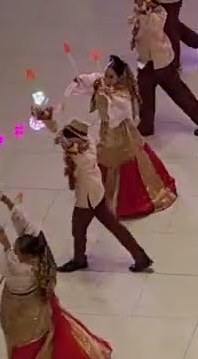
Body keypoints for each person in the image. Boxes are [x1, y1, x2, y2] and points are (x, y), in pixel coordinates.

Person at [0, 192, 113, 359]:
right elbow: (26, 228)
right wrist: (9, 203)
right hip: (40, 306)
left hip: (24, 313)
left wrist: (5, 244)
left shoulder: (24, 272)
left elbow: (11, 261)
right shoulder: (40, 251)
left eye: (18, 250)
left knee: (26, 342)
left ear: (26, 256)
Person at [32, 109, 154, 273]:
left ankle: (79, 260)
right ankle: (140, 257)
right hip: (97, 193)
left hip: (88, 198)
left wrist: (70, 149)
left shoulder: (85, 155)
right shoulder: (85, 140)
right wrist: (48, 120)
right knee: (113, 228)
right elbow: (59, 132)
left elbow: (77, 156)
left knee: (79, 228)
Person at [102, 0, 198, 137]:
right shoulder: (142, 8)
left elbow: (150, 26)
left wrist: (142, 8)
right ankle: (146, 126)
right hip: (145, 62)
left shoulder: (159, 15)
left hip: (163, 64)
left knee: (180, 94)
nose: (140, 0)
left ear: (153, 3)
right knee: (144, 97)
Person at [66, 56, 178, 219]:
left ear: (120, 77)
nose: (107, 79)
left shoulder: (123, 94)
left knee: (126, 159)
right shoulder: (102, 84)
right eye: (106, 75)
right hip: (106, 133)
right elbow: (92, 79)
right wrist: (81, 80)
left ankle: (130, 199)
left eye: (111, 77)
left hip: (121, 133)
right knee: (105, 158)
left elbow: (119, 114)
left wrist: (106, 98)